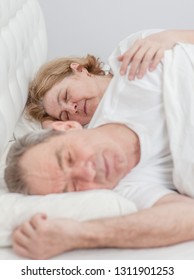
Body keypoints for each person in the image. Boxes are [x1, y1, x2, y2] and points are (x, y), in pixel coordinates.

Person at [4, 28, 194, 259]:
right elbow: (187, 217)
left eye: (69, 158)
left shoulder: (133, 67)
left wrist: (171, 37)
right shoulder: (128, 187)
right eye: (73, 187)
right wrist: (77, 235)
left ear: (68, 129)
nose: (88, 172)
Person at [26, 29, 194, 127]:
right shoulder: (104, 128)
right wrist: (49, 124)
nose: (72, 109)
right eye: (65, 116)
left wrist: (169, 37)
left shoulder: (129, 51)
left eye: (66, 96)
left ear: (80, 70)